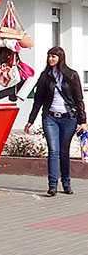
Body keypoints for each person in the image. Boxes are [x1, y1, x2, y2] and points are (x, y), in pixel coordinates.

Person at [24, 46, 88, 196]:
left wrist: (82, 121)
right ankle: (52, 186)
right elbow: (38, 99)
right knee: (53, 151)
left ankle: (66, 183)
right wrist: (31, 120)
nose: (50, 59)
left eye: (53, 56)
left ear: (60, 58)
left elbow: (79, 99)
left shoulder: (71, 75)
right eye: (49, 56)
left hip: (68, 118)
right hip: (50, 117)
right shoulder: (45, 76)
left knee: (63, 152)